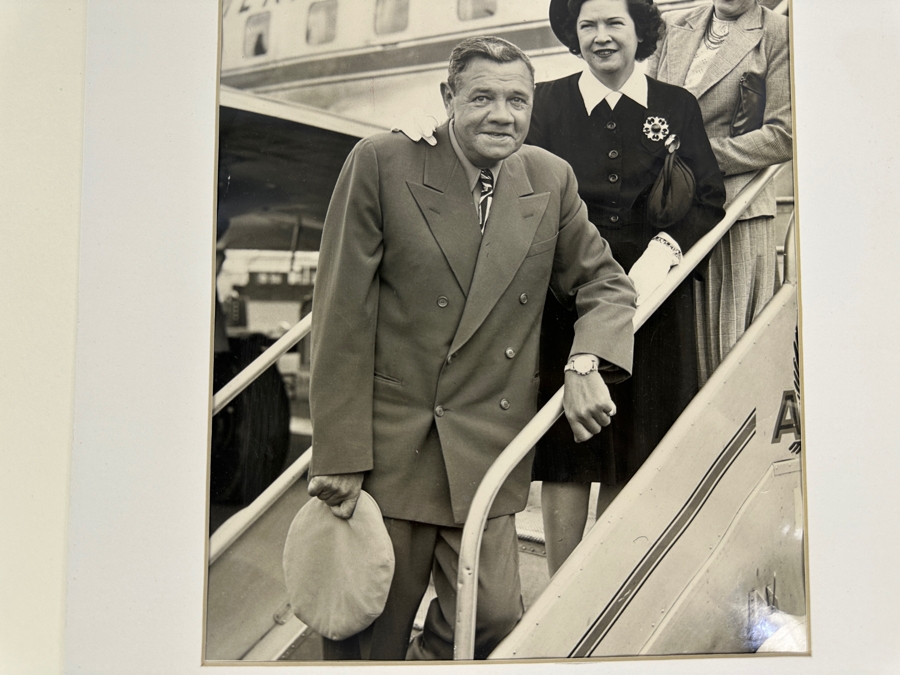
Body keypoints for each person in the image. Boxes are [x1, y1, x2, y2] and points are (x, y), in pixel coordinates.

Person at [306, 36, 637, 661]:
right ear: (447, 98)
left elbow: (605, 282)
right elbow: (340, 316)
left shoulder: (548, 177)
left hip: (488, 449)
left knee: (492, 623)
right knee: (366, 636)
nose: (502, 114)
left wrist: (585, 360)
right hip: (391, 453)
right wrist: (341, 452)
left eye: (518, 99)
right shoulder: (382, 162)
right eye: (482, 96)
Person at [527, 0, 726, 575]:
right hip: (569, 300)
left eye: (614, 23)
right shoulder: (548, 102)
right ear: (573, 33)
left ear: (641, 31)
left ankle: (606, 589)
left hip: (655, 303)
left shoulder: (675, 107)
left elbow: (708, 198)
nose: (601, 36)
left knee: (634, 446)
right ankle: (562, 594)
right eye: (587, 24)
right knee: (567, 453)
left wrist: (665, 253)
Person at [647, 0, 792, 386]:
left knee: (731, 351)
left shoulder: (777, 32)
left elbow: (784, 135)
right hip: (671, 207)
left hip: (736, 209)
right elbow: (646, 111)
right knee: (679, 351)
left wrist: (700, 157)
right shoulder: (672, 27)